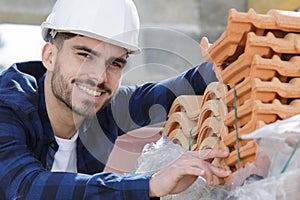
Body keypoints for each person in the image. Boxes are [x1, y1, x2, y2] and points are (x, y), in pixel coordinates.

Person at [0, 0, 231, 199]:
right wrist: (151, 184)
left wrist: (242, 53)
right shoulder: (8, 107)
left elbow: (181, 87)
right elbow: (24, 189)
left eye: (115, 63)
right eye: (85, 55)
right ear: (50, 56)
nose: (100, 77)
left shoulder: (106, 107)